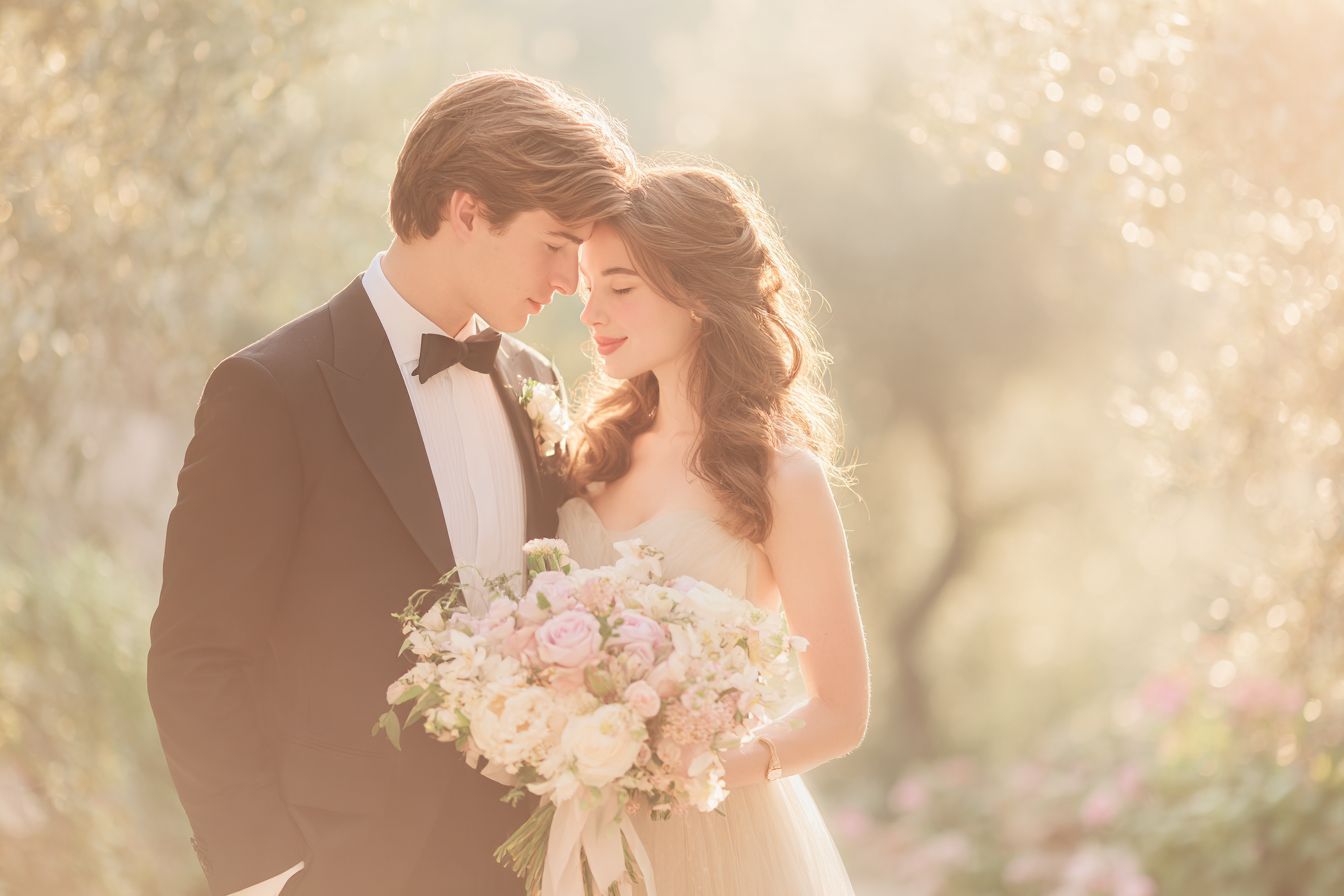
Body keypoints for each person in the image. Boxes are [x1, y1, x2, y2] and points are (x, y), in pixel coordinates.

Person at [147, 71, 635, 896]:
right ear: (467, 210)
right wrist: (267, 872)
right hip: (335, 868)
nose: (566, 283)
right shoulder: (275, 389)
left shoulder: (534, 380)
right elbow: (195, 656)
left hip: (515, 863)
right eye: (555, 245)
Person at [559, 162, 870, 894]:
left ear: (696, 293)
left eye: (620, 288)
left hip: (716, 840)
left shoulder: (782, 481)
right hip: (571, 828)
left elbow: (841, 712)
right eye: (587, 288)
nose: (591, 313)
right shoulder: (588, 459)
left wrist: (700, 772)